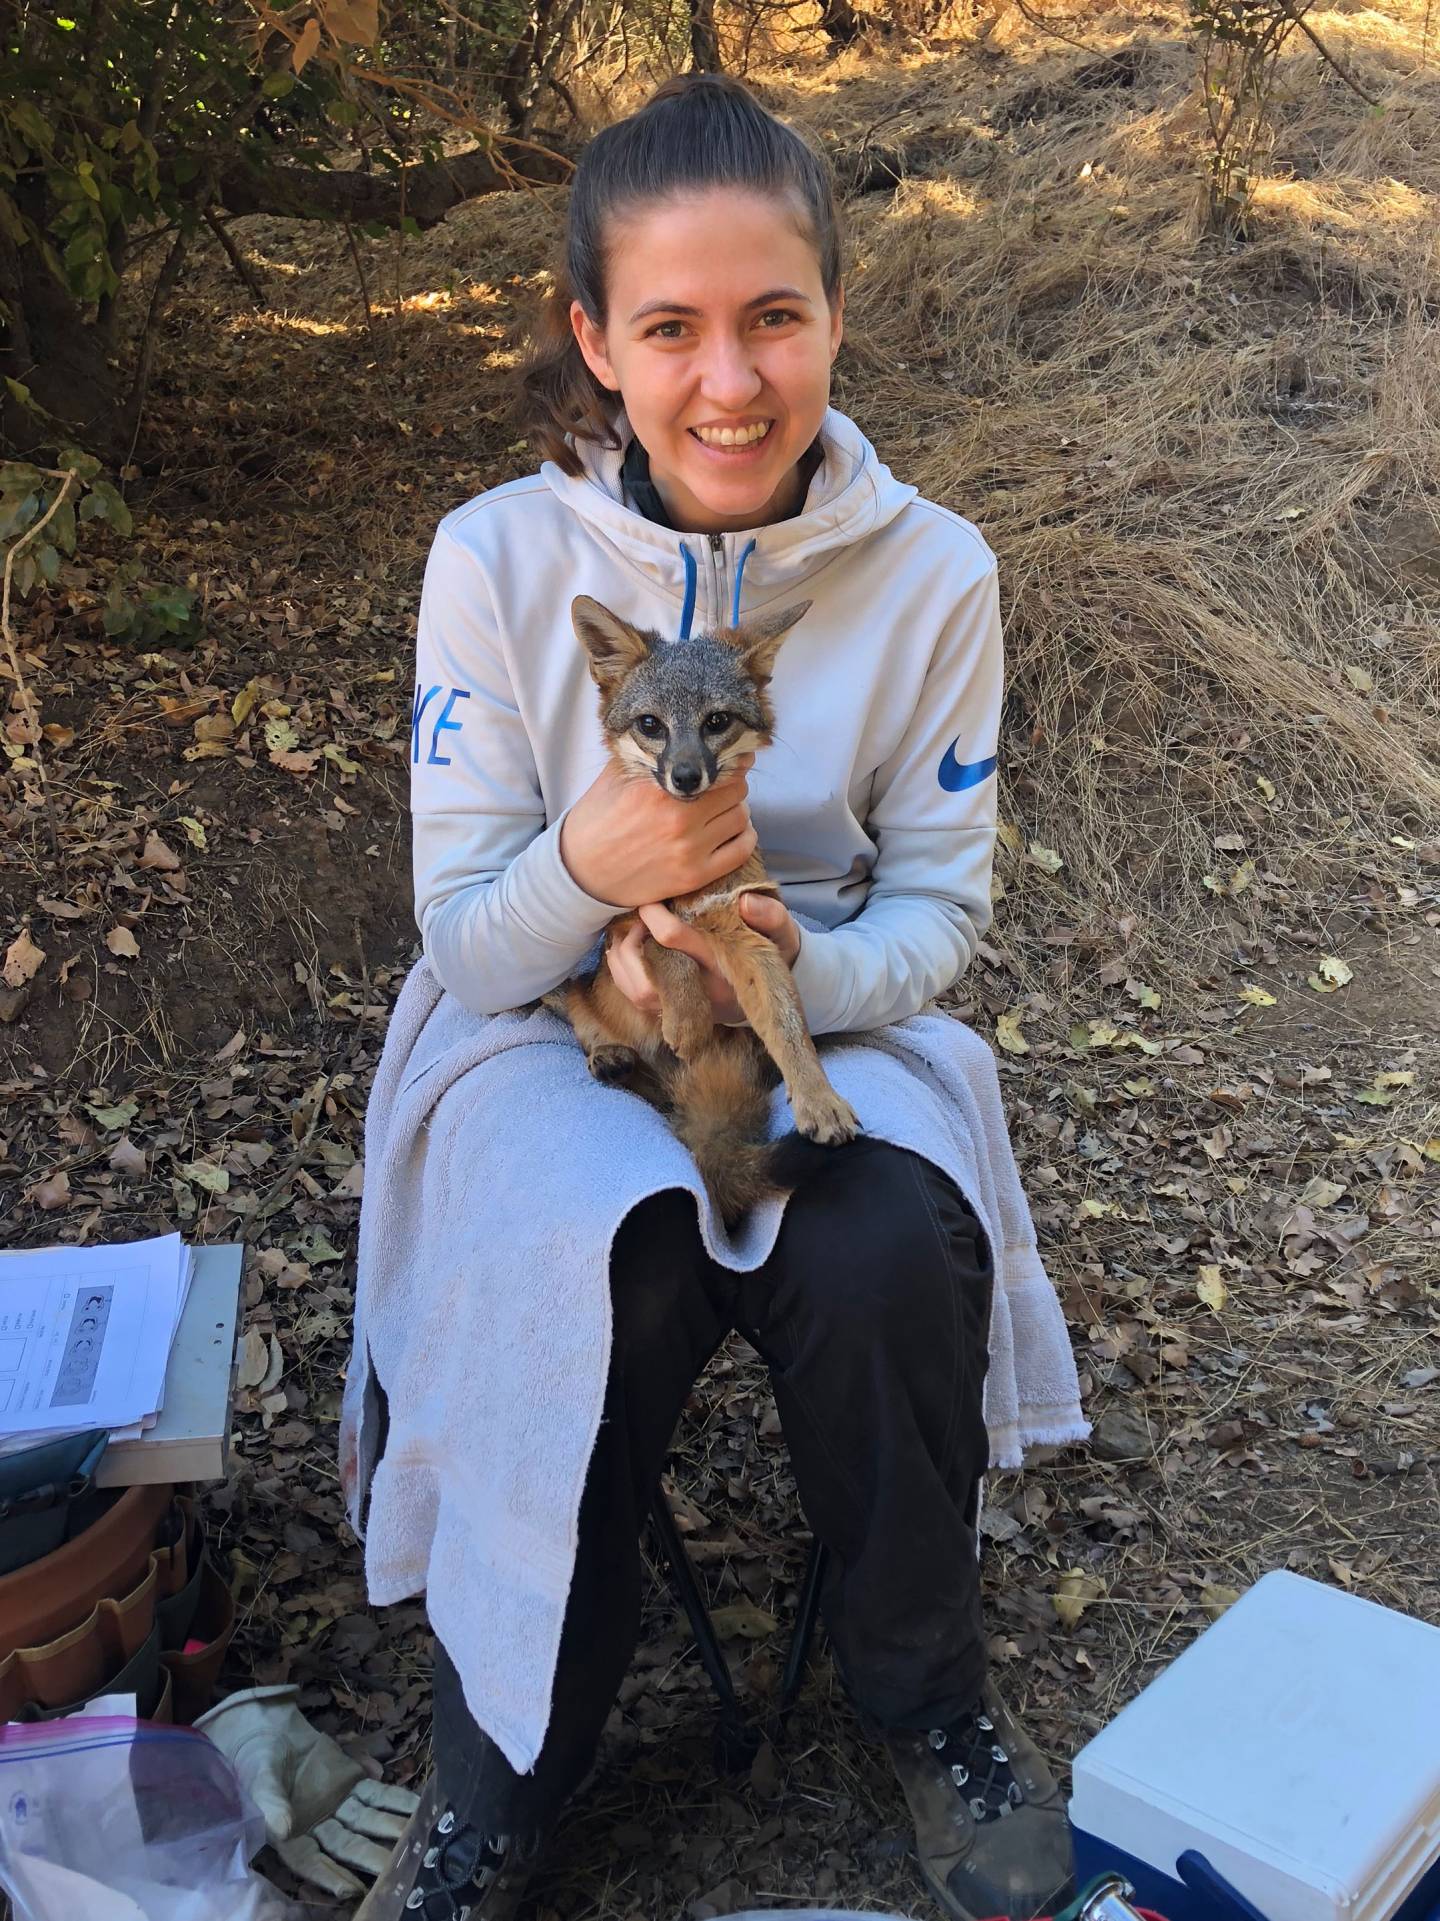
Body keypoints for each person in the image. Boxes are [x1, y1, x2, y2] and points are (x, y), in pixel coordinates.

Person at [350, 72, 1085, 1921]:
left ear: (838, 312)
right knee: (597, 1265)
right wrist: (596, 870)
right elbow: (464, 937)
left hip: (817, 1003)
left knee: (882, 1249)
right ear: (596, 341)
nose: (732, 382)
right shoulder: (497, 564)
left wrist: (793, 970)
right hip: (550, 1017)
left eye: (776, 318)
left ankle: (928, 1700)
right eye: (670, 327)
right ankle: (508, 1757)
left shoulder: (934, 579)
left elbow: (940, 903)